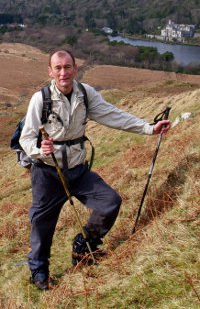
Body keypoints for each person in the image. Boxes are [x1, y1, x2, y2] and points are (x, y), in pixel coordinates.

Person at [20, 49, 170, 290]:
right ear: (50, 71)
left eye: (67, 67)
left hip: (78, 170)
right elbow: (26, 138)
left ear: (75, 68)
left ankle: (84, 244)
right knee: (41, 223)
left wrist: (148, 128)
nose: (63, 72)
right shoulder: (41, 99)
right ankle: (39, 271)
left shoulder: (85, 94)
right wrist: (39, 151)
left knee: (110, 201)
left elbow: (113, 115)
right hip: (48, 173)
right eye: (57, 68)